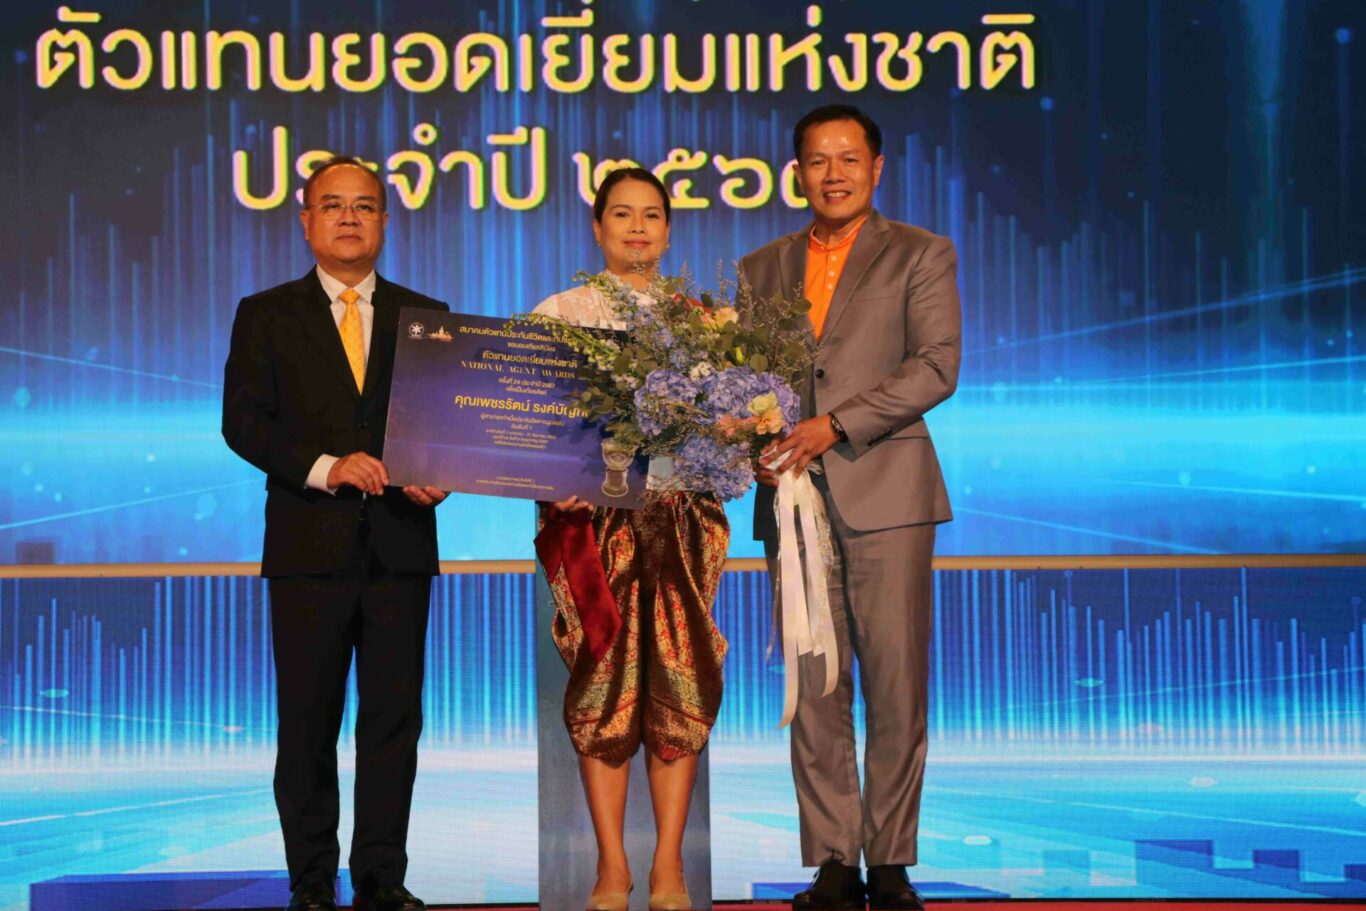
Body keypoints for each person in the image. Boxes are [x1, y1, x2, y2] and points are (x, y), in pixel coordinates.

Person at [739, 105, 961, 911]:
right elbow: (746, 383)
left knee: (896, 683)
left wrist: (833, 424)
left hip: (887, 491)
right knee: (814, 684)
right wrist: (745, 433)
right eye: (817, 160)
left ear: (876, 168)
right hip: (792, 499)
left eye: (848, 159)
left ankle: (891, 858)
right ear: (796, 171)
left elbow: (936, 366)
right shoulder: (760, 266)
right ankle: (833, 857)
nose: (832, 174)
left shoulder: (921, 253)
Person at [222, 156, 449, 911]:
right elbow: (244, 423)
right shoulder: (266, 313)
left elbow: (443, 427)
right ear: (306, 220)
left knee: (393, 724)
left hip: (399, 544)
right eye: (333, 205)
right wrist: (327, 467)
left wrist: (440, 471)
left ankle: (382, 879)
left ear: (384, 220)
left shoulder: (427, 315)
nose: (349, 218)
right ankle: (313, 881)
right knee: (308, 723)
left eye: (364, 206)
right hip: (307, 547)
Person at [534, 167, 729, 911]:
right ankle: (611, 866)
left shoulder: (704, 322)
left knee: (679, 679)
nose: (638, 227)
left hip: (679, 519)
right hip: (592, 523)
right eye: (622, 214)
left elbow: (727, 428)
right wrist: (555, 477)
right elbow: (528, 424)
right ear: (597, 227)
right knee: (605, 682)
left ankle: (669, 865)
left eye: (651, 215)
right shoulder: (559, 312)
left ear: (670, 230)